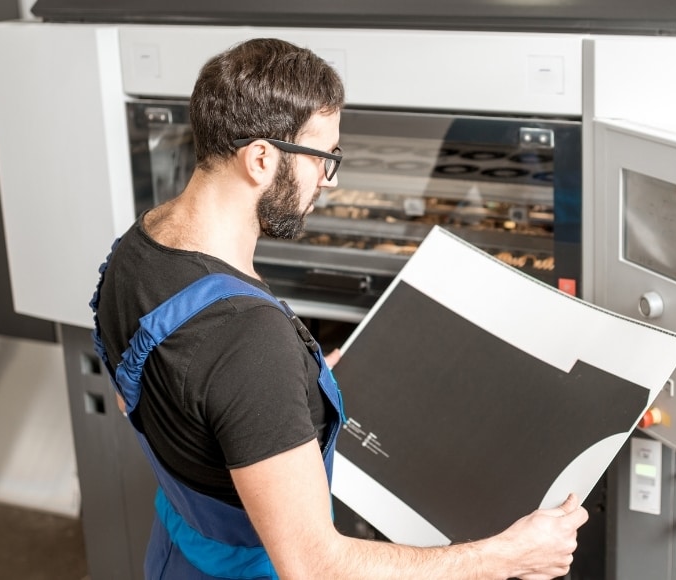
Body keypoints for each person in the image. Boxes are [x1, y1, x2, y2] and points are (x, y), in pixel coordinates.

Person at [92, 37, 588, 579]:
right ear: (260, 159)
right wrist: (508, 555)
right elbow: (316, 568)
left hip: (176, 557)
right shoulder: (247, 341)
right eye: (323, 159)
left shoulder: (137, 247)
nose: (330, 180)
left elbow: (143, 397)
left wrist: (275, 403)